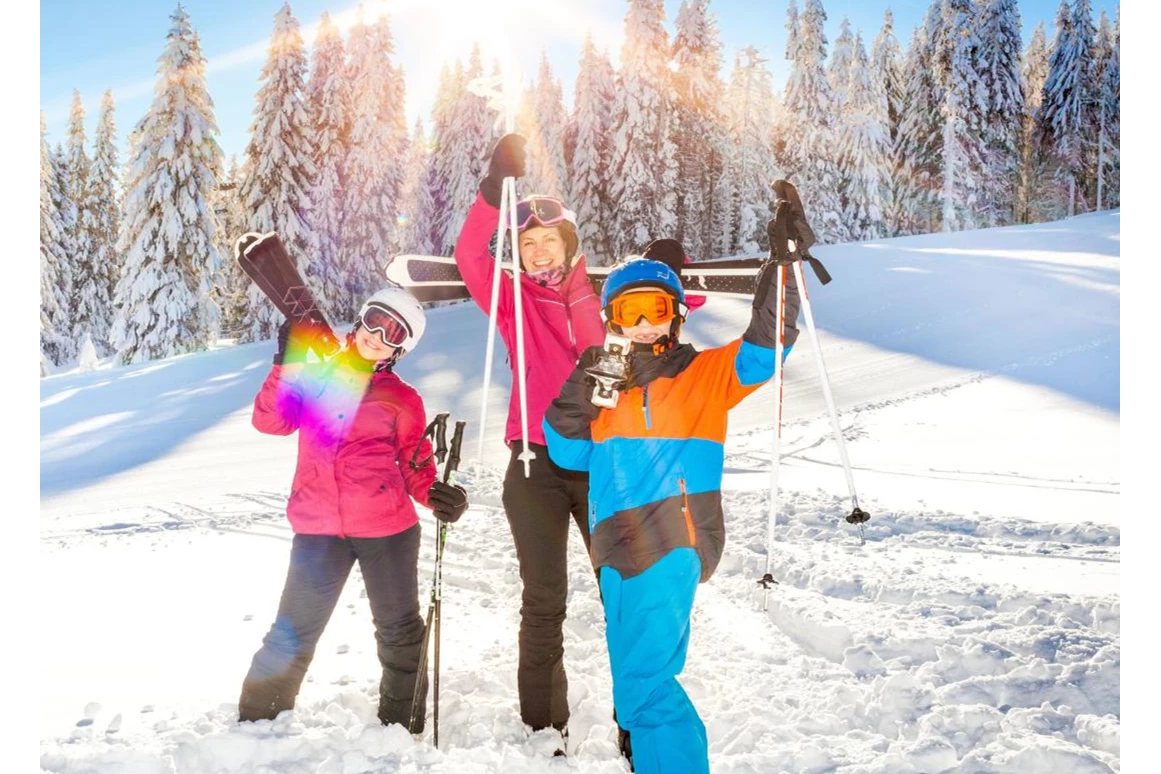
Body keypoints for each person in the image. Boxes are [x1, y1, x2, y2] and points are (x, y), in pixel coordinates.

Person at [541, 231, 803, 773]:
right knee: (635, 684)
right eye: (628, 312)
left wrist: (779, 271)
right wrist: (581, 393)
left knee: (646, 686)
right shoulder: (607, 389)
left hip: (670, 537)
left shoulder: (703, 375)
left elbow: (763, 349)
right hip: (613, 546)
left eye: (654, 309)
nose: (642, 324)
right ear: (613, 319)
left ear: (676, 313)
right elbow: (568, 453)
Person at [237, 287, 470, 733]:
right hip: (318, 528)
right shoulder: (317, 376)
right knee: (292, 630)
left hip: (387, 530)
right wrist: (285, 362)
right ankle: (256, 724)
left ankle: (401, 727)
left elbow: (415, 464)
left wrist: (439, 496)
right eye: (375, 320)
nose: (378, 334)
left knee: (399, 631)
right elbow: (271, 421)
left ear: (401, 347)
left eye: (393, 331)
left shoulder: (403, 399)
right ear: (361, 319)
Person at [453, 133, 606, 748]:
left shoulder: (603, 299)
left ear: (569, 245)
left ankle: (640, 718)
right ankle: (545, 726)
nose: (541, 251)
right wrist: (493, 195)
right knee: (545, 598)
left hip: (602, 461)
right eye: (530, 243)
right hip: (532, 461)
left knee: (624, 589)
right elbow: (470, 256)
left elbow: (666, 314)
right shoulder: (514, 301)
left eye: (551, 240)